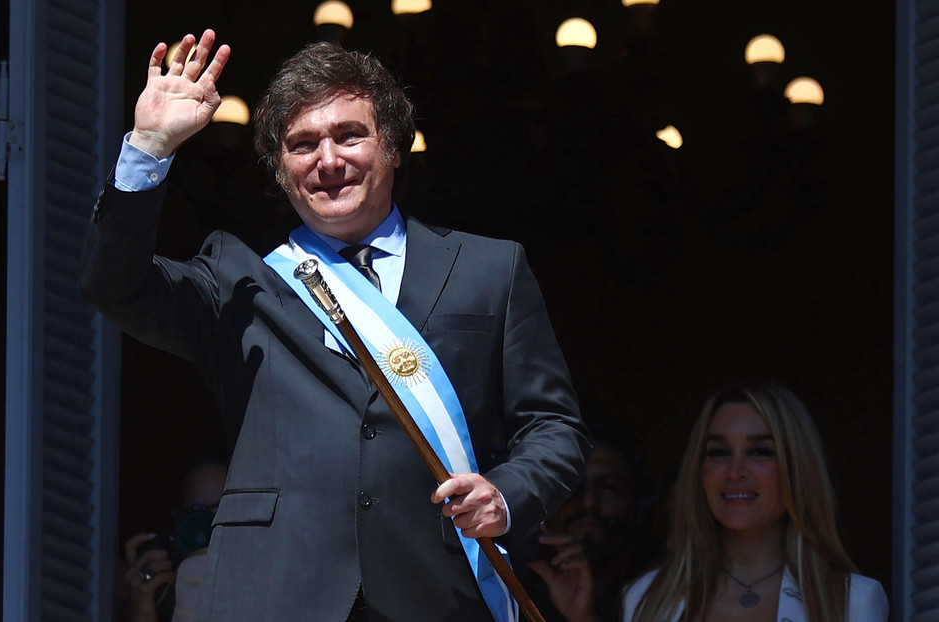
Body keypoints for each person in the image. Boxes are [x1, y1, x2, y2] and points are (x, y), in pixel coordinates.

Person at [80, 30, 589, 621]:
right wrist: (148, 147)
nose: (328, 161)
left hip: (433, 592)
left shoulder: (488, 269)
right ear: (279, 170)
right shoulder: (237, 279)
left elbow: (554, 426)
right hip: (274, 594)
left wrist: (506, 495)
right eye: (302, 145)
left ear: (395, 148)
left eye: (350, 135)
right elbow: (114, 286)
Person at [621, 380, 888, 622]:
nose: (735, 470)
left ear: (797, 468)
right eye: (719, 452)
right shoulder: (644, 598)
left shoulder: (852, 601)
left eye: (760, 451)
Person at [521, 418, 661, 622]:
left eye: (608, 487)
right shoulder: (513, 589)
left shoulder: (662, 590)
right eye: (573, 488)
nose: (588, 502)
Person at [120, 460, 229, 622]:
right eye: (196, 515)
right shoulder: (177, 595)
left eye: (222, 510)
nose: (207, 529)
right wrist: (142, 615)